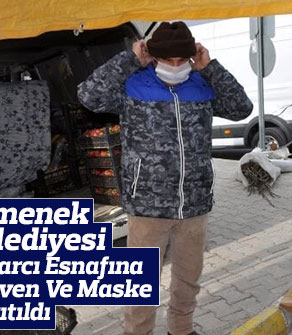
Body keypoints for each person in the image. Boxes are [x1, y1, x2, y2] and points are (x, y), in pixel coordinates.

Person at [78, 21, 253, 335]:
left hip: (194, 204)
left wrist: (211, 67)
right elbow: (88, 95)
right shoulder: (132, 87)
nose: (174, 66)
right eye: (167, 60)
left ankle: (181, 330)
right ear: (152, 56)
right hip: (147, 206)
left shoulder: (202, 85)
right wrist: (130, 59)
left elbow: (242, 108)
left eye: (181, 60)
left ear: (191, 57)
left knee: (188, 279)